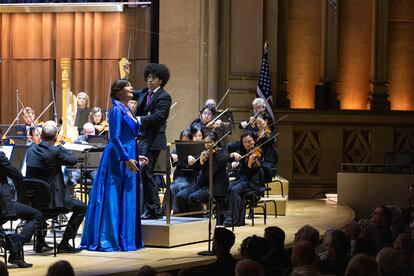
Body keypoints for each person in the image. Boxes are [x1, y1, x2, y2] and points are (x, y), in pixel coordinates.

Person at [81, 78, 148, 251]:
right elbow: (115, 138)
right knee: (114, 196)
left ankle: (126, 237)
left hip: (127, 154)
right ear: (119, 91)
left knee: (127, 196)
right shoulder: (116, 110)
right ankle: (111, 238)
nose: (132, 87)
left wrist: (135, 155)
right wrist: (127, 158)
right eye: (128, 86)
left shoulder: (126, 108)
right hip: (117, 158)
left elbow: (127, 137)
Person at [25, 124, 86, 253]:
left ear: (41, 136)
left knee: (42, 204)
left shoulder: (30, 151)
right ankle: (64, 243)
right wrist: (60, 147)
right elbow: (73, 160)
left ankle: (40, 243)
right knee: (82, 208)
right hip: (54, 203)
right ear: (56, 137)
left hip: (33, 201)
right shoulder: (56, 151)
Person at [132, 63, 172, 220]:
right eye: (148, 77)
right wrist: (125, 75)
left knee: (147, 173)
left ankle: (154, 210)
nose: (150, 80)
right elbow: (127, 93)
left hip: (154, 140)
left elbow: (158, 117)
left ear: (161, 80)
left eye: (153, 78)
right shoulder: (143, 92)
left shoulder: (164, 96)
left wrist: (137, 119)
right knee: (144, 174)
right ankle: (152, 209)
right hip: (143, 139)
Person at [0, 151, 42, 268]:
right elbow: (17, 175)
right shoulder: (0, 156)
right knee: (36, 215)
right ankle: (16, 245)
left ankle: (12, 243)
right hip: (2, 205)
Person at [223, 131, 264, 227]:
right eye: (245, 142)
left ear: (254, 141)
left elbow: (250, 174)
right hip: (242, 180)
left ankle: (235, 219)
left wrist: (250, 164)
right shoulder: (243, 152)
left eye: (250, 141)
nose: (247, 144)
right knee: (226, 187)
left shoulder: (259, 153)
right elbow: (242, 169)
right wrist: (236, 164)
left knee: (235, 190)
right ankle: (229, 216)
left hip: (252, 182)